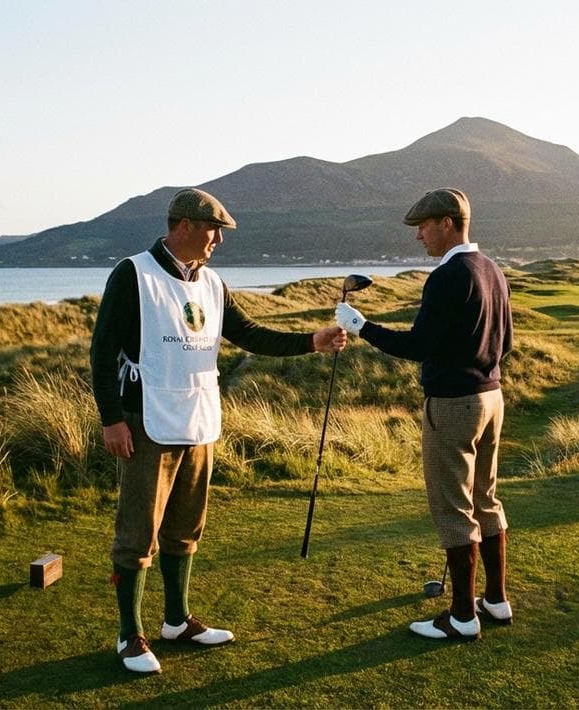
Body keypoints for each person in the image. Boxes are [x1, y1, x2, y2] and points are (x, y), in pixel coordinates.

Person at [91, 187, 347, 673]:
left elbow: (249, 334)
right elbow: (102, 353)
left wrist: (311, 341)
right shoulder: (133, 274)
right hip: (146, 423)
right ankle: (129, 635)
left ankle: (177, 620)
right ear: (183, 226)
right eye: (213, 230)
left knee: (186, 528)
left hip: (199, 421)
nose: (218, 241)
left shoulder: (212, 283)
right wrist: (112, 419)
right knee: (137, 533)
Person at [335, 188, 513, 640]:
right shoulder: (492, 270)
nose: (419, 236)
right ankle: (494, 600)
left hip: (453, 405)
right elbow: (505, 343)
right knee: (486, 500)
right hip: (491, 398)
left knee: (454, 509)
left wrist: (361, 326)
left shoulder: (449, 275)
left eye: (425, 225)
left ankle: (461, 617)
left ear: (449, 223)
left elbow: (418, 346)